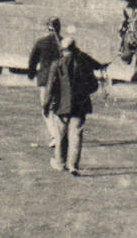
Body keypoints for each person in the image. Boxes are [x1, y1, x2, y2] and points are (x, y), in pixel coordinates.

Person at [44, 29, 102, 175]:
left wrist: (46, 105)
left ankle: (60, 162)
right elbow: (94, 85)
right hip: (80, 105)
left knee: (61, 136)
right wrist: (83, 93)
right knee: (76, 135)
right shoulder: (83, 63)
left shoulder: (56, 64)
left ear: (63, 50)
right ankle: (73, 165)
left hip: (61, 105)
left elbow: (50, 88)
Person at [26, 16, 64, 152]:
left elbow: (32, 60)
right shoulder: (64, 42)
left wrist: (31, 74)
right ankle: (60, 134)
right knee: (59, 107)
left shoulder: (41, 42)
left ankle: (55, 135)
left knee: (46, 108)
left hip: (45, 79)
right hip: (61, 80)